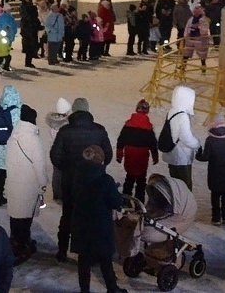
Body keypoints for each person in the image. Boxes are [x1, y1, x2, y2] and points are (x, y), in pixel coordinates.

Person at [49, 97, 113, 261]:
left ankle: (62, 250)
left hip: (70, 181)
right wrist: (99, 169)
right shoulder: (99, 130)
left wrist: (66, 168)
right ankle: (88, 253)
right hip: (92, 183)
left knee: (67, 216)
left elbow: (55, 155)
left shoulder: (65, 131)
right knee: (89, 218)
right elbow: (108, 153)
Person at [72, 144, 127, 293]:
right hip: (100, 227)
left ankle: (85, 290)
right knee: (105, 259)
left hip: (81, 225)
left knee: (83, 260)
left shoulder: (77, 176)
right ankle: (112, 288)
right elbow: (116, 202)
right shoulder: (106, 180)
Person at [5, 104, 49, 263]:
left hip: (14, 182)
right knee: (25, 216)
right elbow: (40, 164)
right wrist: (43, 182)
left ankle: (16, 241)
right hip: (28, 185)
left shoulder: (14, 134)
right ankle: (22, 245)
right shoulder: (32, 138)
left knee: (16, 215)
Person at [196, 112, 225, 225]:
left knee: (215, 197)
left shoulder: (210, 140)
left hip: (214, 174)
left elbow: (205, 157)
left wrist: (198, 153)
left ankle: (216, 218)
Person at [116, 99, 159, 203]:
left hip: (130, 154)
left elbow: (121, 141)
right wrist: (155, 156)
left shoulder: (128, 125)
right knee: (141, 181)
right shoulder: (148, 127)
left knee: (129, 179)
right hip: (142, 157)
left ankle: (125, 202)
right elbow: (153, 144)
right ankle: (139, 204)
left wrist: (119, 155)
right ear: (147, 111)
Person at [162, 85, 200, 190]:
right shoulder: (182, 116)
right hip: (181, 156)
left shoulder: (172, 111)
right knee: (185, 185)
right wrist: (197, 144)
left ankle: (177, 203)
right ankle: (185, 205)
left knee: (175, 183)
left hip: (171, 153)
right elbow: (186, 138)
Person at [0, 84, 23, 202]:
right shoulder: (17, 112)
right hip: (12, 146)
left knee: (1, 171)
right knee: (14, 172)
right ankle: (15, 196)